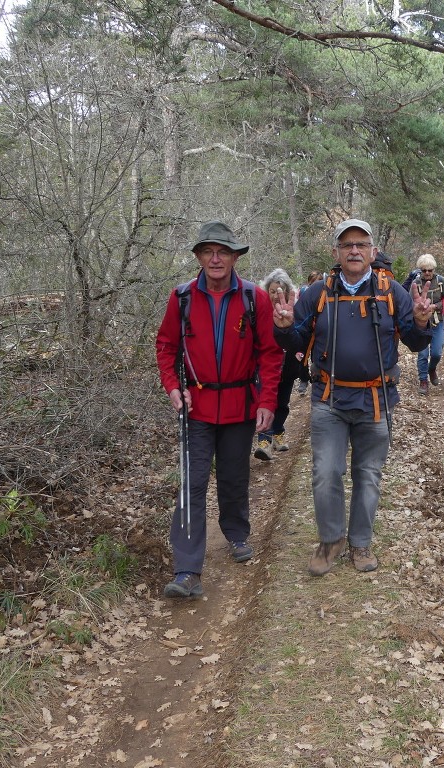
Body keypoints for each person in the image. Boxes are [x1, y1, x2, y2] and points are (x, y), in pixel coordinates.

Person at [272, 218, 434, 575]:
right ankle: (331, 540)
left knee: (368, 474)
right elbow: (296, 343)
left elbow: (413, 340)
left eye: (361, 244)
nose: (355, 250)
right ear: (336, 253)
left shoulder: (392, 292)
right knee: (325, 472)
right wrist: (282, 329)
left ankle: (361, 543)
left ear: (373, 252)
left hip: (377, 400)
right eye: (347, 245)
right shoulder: (318, 293)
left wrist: (422, 323)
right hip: (329, 399)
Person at [155, 221, 283, 598]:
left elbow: (270, 355)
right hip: (196, 407)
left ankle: (237, 533)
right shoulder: (180, 298)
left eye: (223, 251)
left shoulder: (253, 298)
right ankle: (187, 570)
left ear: (234, 257)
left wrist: (267, 401)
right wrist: (173, 387)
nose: (215, 258)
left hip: (241, 405)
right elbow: (165, 347)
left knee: (233, 476)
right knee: (192, 484)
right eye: (208, 251)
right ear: (198, 256)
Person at [254, 268, 300, 460]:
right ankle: (264, 440)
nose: (275, 295)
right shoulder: (259, 310)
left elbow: (300, 337)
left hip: (287, 364)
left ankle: (279, 431)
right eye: (272, 291)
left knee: (282, 402)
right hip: (264, 366)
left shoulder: (294, 310)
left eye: (279, 290)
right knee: (265, 399)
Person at [403, 254, 444, 394]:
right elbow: (408, 302)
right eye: (424, 270)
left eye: (430, 270)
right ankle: (423, 381)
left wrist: (434, 307)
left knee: (436, 353)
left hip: (437, 322)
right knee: (423, 353)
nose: (427, 273)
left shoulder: (441, 281)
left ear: (434, 269)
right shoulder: (416, 283)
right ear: (420, 270)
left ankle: (432, 369)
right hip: (421, 324)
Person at [294, 270, 324, 395]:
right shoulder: (304, 293)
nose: (315, 286)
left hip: (319, 331)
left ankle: (318, 379)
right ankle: (304, 380)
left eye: (318, 282)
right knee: (303, 356)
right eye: (313, 283)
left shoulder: (326, 294)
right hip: (306, 331)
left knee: (318, 356)